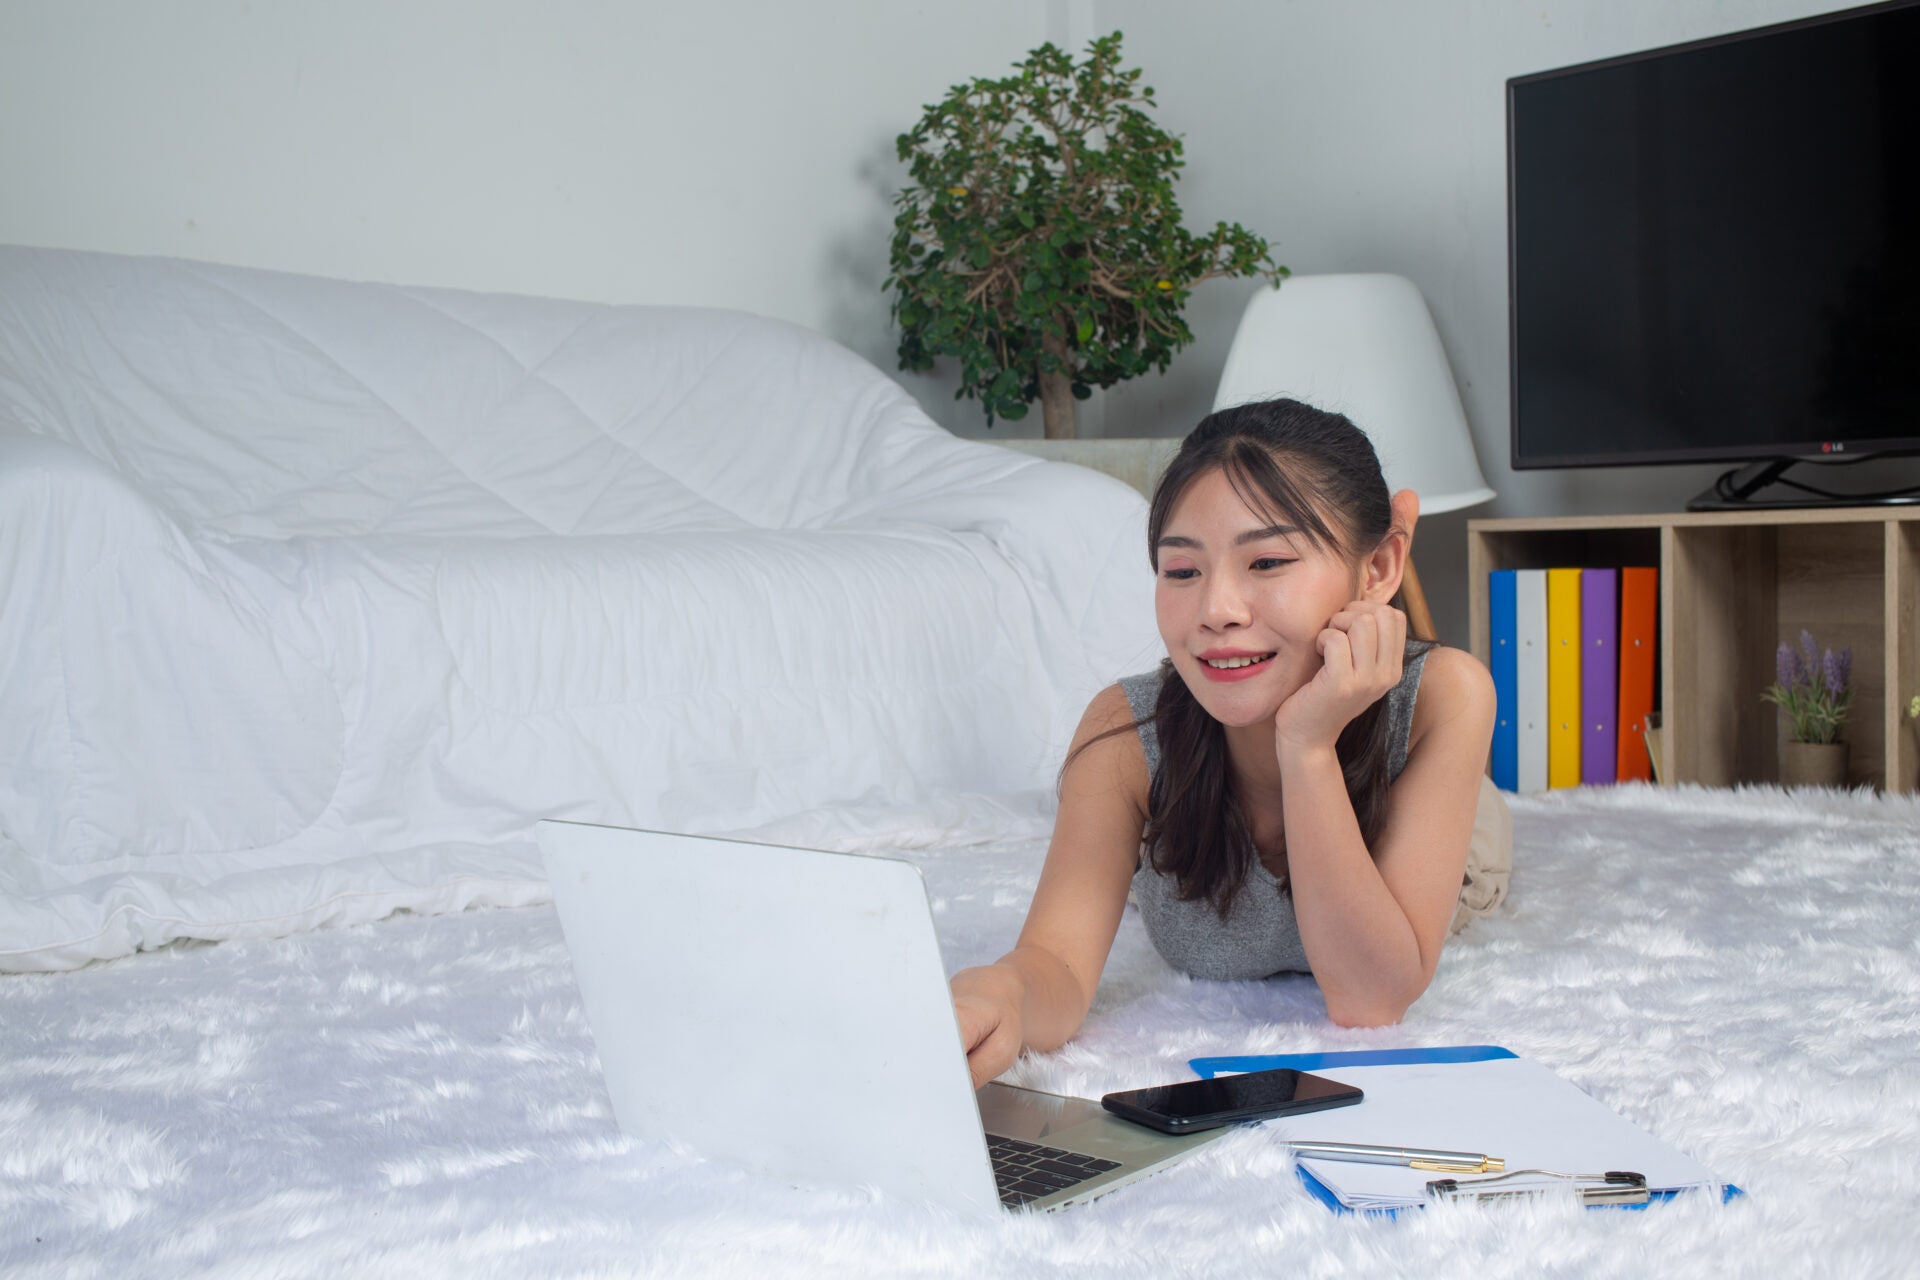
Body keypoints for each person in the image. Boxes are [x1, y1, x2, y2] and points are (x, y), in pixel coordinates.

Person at [950, 398, 1512, 1088]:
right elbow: (1056, 963)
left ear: (1378, 568)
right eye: (1182, 571)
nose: (1217, 610)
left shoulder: (1445, 699)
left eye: (1268, 562)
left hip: (1444, 823)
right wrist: (1001, 989)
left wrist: (1306, 747)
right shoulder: (1125, 736)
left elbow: (1370, 1000)